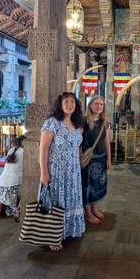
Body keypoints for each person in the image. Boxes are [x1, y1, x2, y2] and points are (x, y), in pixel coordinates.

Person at [39, 92, 85, 250]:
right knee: (57, 201)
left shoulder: (77, 125)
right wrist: (44, 172)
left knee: (71, 199)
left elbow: (77, 148)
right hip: (56, 169)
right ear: (60, 104)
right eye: (66, 102)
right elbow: (43, 149)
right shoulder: (52, 123)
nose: (70, 105)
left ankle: (70, 229)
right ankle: (54, 236)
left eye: (72, 102)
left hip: (73, 170)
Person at [81, 95, 111, 224]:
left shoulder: (103, 121)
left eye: (101, 104)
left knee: (98, 184)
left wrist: (109, 158)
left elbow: (106, 141)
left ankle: (94, 208)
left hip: (101, 158)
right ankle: (87, 213)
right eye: (96, 104)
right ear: (90, 105)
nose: (99, 106)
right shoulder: (84, 122)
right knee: (88, 186)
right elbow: (78, 142)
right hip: (89, 160)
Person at [0, 135, 26, 220]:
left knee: (3, 197)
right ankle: (17, 211)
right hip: (15, 183)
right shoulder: (25, 152)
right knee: (26, 189)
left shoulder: (11, 150)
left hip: (2, 181)